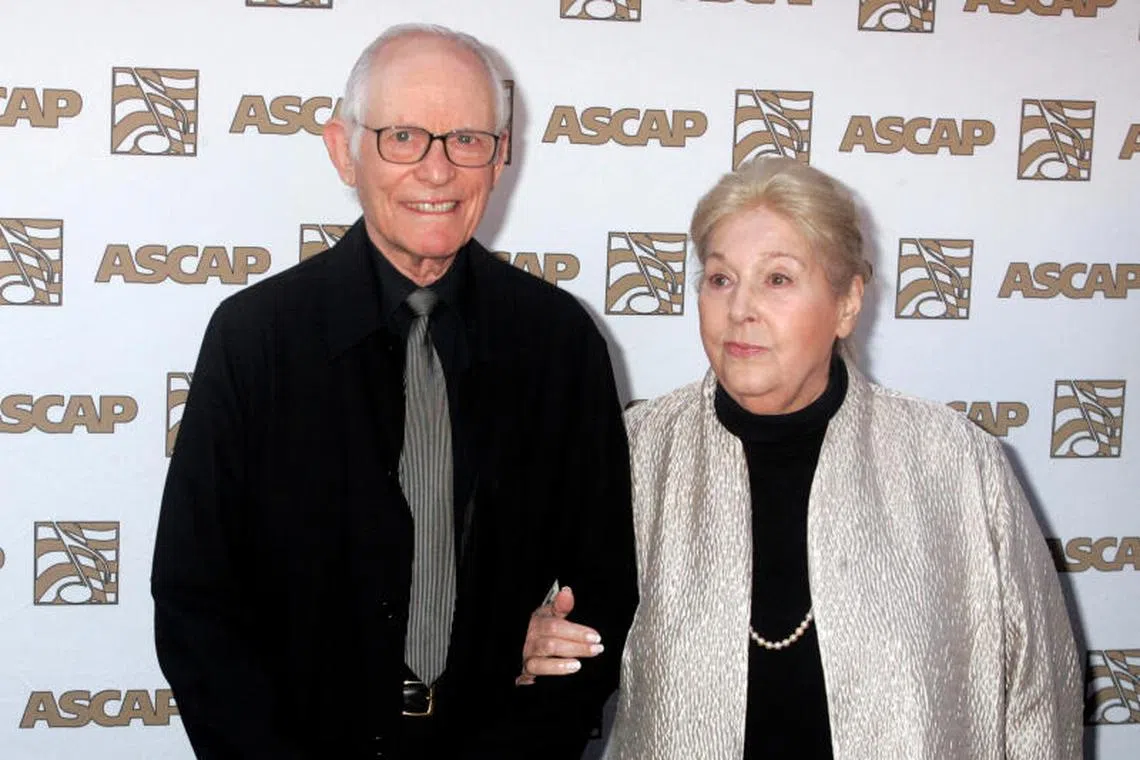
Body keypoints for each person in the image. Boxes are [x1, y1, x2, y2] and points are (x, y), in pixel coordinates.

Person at [151, 24, 637, 759]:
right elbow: (195, 600)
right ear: (343, 151)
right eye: (403, 136)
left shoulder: (559, 345)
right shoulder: (256, 339)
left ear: (500, 157)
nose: (437, 171)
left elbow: (604, 594)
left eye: (466, 138)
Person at [520, 156, 1082, 759]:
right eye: (720, 279)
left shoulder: (956, 463)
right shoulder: (635, 453)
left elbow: (1038, 702)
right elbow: (539, 624)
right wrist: (523, 643)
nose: (741, 309)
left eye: (778, 279)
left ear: (846, 303)